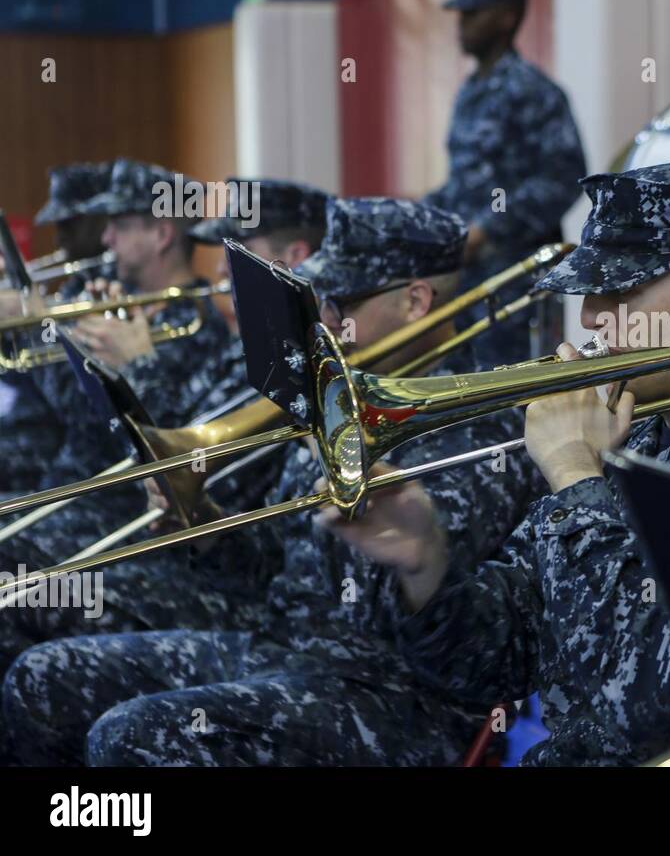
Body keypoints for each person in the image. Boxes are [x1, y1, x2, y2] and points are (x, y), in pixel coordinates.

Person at [320, 159, 670, 765]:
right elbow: (492, 663)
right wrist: (425, 566)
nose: (588, 319)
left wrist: (576, 477)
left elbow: (646, 707)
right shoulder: (626, 440)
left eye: (620, 293)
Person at [2, 197, 545, 766]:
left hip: (391, 695)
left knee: (130, 736)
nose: (325, 322)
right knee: (41, 681)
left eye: (340, 303)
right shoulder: (345, 387)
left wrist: (330, 459)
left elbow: (416, 623)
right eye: (319, 301)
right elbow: (275, 571)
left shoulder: (478, 427)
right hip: (286, 646)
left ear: (415, 302)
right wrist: (209, 526)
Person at [1, 158, 241, 567]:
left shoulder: (197, 327)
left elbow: (105, 429)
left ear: (161, 233)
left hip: (113, 506)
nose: (106, 238)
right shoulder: (121, 301)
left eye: (120, 225)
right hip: (69, 486)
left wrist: (42, 325)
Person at [424, 0, 586, 367]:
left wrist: (488, 229)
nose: (461, 23)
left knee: (511, 393)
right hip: (465, 277)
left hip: (515, 283)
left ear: (507, 17)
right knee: (462, 389)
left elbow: (562, 177)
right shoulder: (471, 89)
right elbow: (466, 178)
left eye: (473, 13)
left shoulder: (533, 91)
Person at [0, 162, 114, 496]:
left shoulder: (114, 297)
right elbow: (21, 372)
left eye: (71, 224)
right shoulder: (74, 287)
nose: (60, 236)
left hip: (84, 478)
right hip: (39, 443)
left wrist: (34, 324)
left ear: (103, 220)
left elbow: (85, 406)